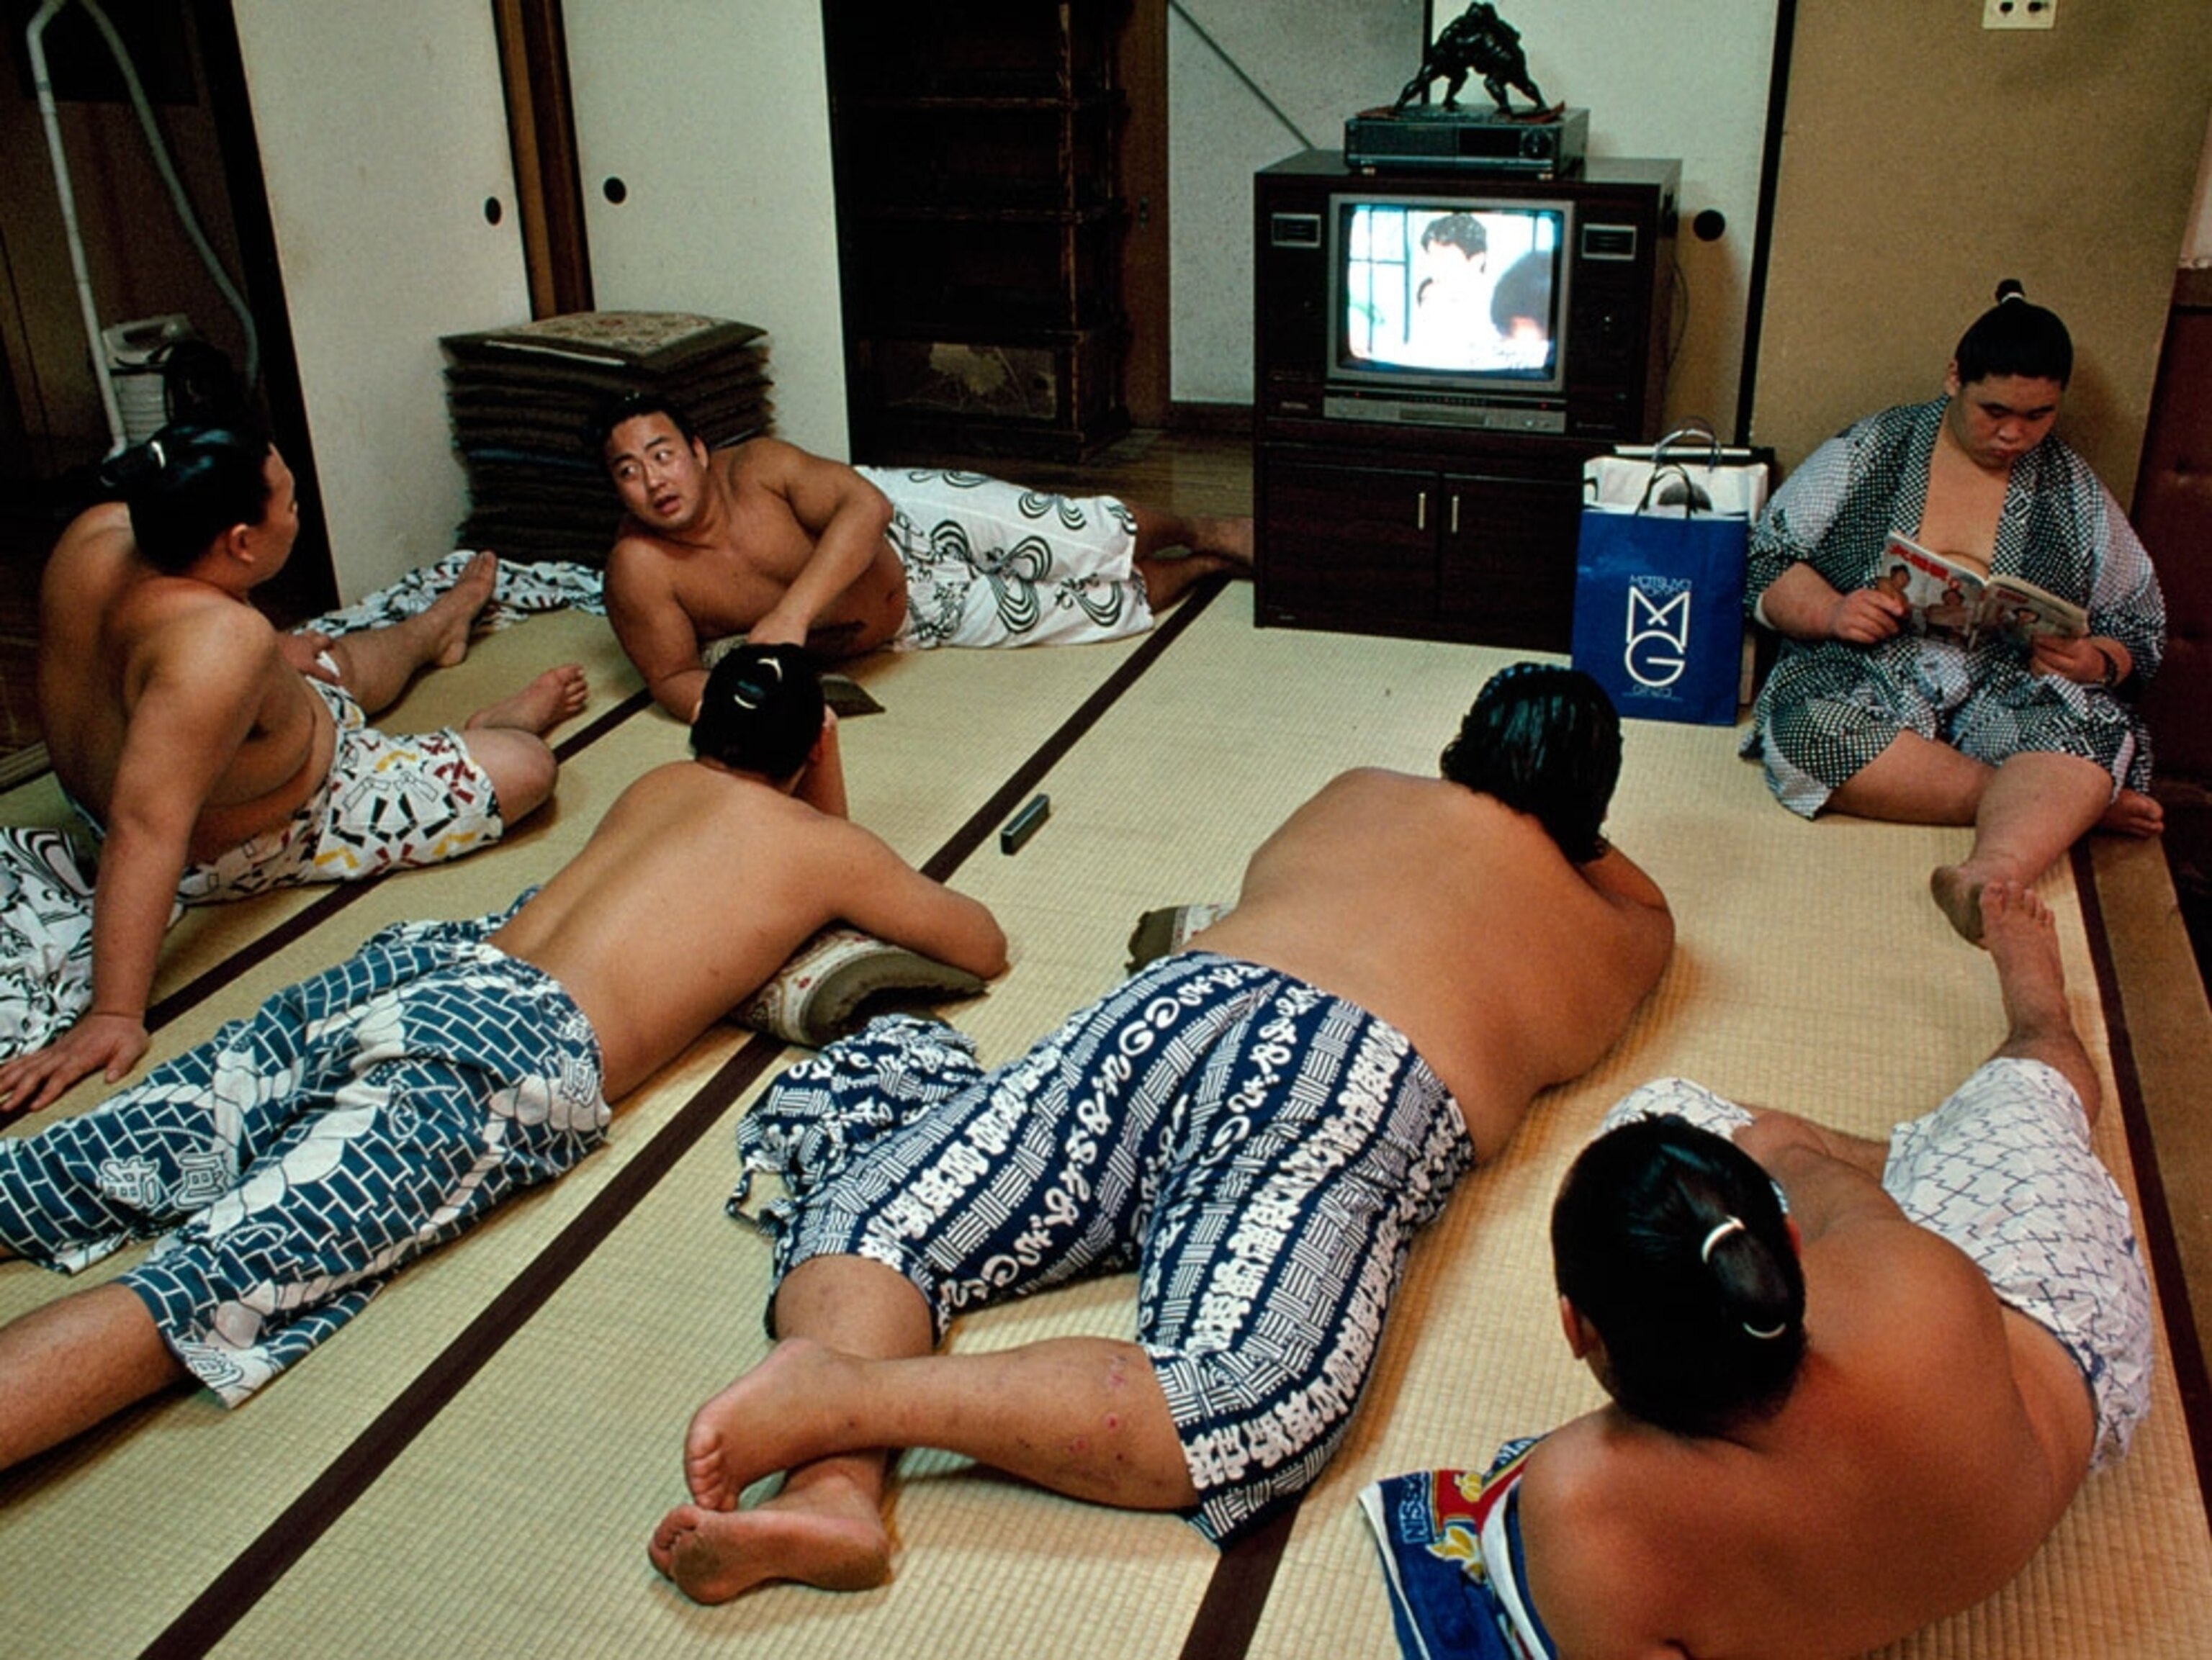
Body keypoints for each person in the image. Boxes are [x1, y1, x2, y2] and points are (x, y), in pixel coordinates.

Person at [647, 662, 1675, 1603]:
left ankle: (833, 1484)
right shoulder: (1613, 928)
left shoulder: (1361, 791)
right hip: (1346, 1076)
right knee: (1245, 1395)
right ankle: (854, 1404)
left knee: (879, 1209)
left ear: (1458, 751)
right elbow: (1642, 894)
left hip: (1176, 1006)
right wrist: (1571, 815)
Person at [0, 646, 1007, 1472]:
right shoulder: (823, 846)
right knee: (207, 1283)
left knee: (103, 1150)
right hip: (503, 1054)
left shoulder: (657, 782)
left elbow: (767, 831)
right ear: (808, 751)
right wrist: (824, 759)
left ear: (702, 732)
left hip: (425, 972)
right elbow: (977, 940)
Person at [1408, 880, 2146, 1660]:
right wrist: (1788, 1151)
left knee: (1656, 1118)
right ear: (1790, 1245)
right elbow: (1830, 1187)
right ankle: (1999, 1076)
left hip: (2015, 1314)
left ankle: (2019, 1040)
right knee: (2029, 1086)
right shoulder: (1906, 1276)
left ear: (1575, 1326)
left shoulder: (1582, 1499)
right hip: (2060, 1328)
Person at [0, 423, 593, 1113]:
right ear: (242, 542)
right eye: (289, 503)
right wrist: (112, 1014)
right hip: (271, 828)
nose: (296, 511)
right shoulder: (221, 646)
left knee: (327, 663)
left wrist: (267, 652)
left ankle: (434, 628)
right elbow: (145, 828)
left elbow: (155, 651)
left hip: (219, 727)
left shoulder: (102, 531)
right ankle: (491, 727)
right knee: (528, 769)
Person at [1740, 282, 2167, 942]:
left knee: (2099, 732)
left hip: (2006, 687)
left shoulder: (2072, 486)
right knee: (1804, 733)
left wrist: (2095, 660)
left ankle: (1989, 872)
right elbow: (1767, 558)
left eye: (2038, 416)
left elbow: (2138, 622)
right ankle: (2056, 803)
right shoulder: (1875, 446)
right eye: (1994, 409)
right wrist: (1831, 612)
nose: (2012, 433)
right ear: (1953, 378)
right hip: (1870, 674)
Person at [590, 394, 1254, 720]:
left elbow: (866, 510)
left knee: (1076, 533)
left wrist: (792, 615)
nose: (654, 481)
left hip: (913, 518)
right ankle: (1205, 570)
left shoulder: (758, 468)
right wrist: (755, 713)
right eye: (629, 470)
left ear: (698, 451)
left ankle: (1203, 530)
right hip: (915, 618)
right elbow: (672, 675)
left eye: (663, 454)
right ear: (615, 488)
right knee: (1096, 610)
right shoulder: (639, 569)